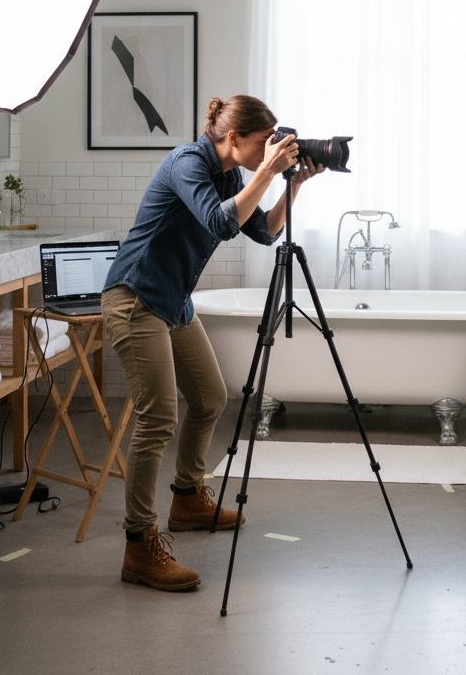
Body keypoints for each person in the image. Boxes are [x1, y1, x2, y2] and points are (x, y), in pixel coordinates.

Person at [99, 94, 323, 591]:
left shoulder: (231, 175)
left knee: (210, 399)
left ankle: (186, 499)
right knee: (157, 415)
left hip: (173, 301)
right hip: (135, 297)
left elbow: (263, 231)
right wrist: (267, 171)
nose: (270, 149)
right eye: (263, 143)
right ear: (234, 138)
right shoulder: (187, 163)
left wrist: (295, 185)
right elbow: (221, 222)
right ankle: (139, 545)